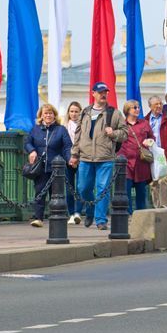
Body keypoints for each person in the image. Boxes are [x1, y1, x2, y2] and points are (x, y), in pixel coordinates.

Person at [71, 83, 128, 230]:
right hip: (85, 157)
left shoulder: (114, 113)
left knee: (103, 189)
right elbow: (78, 135)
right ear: (93, 94)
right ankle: (90, 210)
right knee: (83, 188)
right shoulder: (85, 112)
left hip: (105, 158)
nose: (103, 95)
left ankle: (101, 220)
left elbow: (125, 133)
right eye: (100, 92)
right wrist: (74, 154)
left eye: (105, 92)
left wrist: (113, 133)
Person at [24, 103, 73, 227]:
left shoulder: (61, 129)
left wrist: (69, 159)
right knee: (40, 192)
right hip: (41, 167)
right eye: (45, 113)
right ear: (41, 116)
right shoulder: (35, 129)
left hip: (56, 168)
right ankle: (38, 218)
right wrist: (32, 151)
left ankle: (57, 217)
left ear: (54, 115)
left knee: (56, 194)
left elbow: (67, 146)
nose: (48, 115)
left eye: (50, 113)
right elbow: (28, 142)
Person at [119, 100, 154, 214]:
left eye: (138, 107)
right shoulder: (121, 125)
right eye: (134, 107)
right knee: (126, 192)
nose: (138, 109)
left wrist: (149, 141)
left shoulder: (144, 123)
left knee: (141, 193)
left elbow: (152, 138)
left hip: (141, 163)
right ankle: (127, 215)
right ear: (127, 110)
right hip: (126, 164)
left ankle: (141, 216)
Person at [146, 95, 167, 208]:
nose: (159, 106)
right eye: (156, 104)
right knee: (154, 181)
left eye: (160, 103)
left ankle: (166, 205)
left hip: (166, 154)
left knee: (165, 180)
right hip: (152, 156)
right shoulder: (146, 120)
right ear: (150, 107)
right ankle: (157, 205)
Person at [64, 101, 84, 225]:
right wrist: (70, 158)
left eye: (76, 111)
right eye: (72, 111)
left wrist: (78, 157)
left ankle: (78, 212)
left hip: (82, 159)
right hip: (68, 160)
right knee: (69, 188)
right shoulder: (64, 127)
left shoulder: (84, 126)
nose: (74, 114)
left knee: (81, 187)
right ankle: (71, 213)